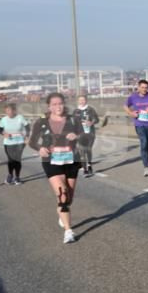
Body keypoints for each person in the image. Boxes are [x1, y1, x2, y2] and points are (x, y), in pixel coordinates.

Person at [28, 93, 86, 244]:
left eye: (60, 103)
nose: (57, 106)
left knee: (69, 198)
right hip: (51, 161)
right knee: (63, 195)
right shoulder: (42, 122)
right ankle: (68, 231)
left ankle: (62, 212)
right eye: (54, 104)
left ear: (64, 104)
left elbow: (84, 135)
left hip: (71, 161)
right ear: (49, 106)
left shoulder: (74, 119)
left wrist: (77, 136)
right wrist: (39, 148)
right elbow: (32, 141)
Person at [124, 79, 148, 176]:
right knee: (143, 143)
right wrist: (131, 113)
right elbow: (125, 106)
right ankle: (145, 166)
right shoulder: (133, 97)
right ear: (138, 87)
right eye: (142, 87)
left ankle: (147, 161)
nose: (144, 89)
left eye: (146, 87)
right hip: (139, 124)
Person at [0, 103, 30, 185]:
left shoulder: (20, 117)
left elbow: (27, 127)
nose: (7, 112)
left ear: (14, 110)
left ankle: (17, 177)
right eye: (6, 111)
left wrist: (27, 136)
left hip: (20, 142)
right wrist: (3, 133)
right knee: (11, 160)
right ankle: (10, 175)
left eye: (9, 110)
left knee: (17, 160)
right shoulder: (4, 119)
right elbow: (0, 129)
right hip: (8, 142)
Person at [73, 94, 100, 177]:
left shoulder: (90, 109)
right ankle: (85, 170)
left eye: (83, 100)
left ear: (86, 100)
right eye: (80, 100)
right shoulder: (76, 111)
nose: (82, 101)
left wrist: (91, 122)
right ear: (78, 101)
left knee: (88, 150)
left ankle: (89, 166)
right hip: (79, 134)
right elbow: (73, 123)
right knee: (82, 152)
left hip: (90, 134)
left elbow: (97, 119)